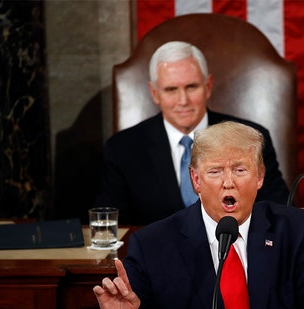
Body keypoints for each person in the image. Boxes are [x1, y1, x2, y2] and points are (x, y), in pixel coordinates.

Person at [93, 121, 304, 309]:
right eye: (215, 171)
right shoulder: (152, 245)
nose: (229, 182)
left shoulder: (292, 229)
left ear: (260, 177)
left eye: (240, 170)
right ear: (196, 181)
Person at [94, 41, 289, 225]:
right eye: (171, 89)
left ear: (208, 86)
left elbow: (279, 212)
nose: (183, 100)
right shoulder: (123, 148)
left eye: (191, 87)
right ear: (154, 93)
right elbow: (111, 226)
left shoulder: (250, 138)